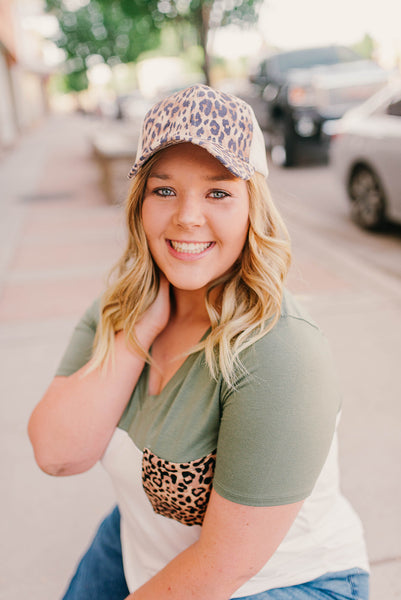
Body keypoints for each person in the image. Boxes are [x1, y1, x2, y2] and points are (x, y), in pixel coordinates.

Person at [28, 84, 369, 600]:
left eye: (218, 192)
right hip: (144, 540)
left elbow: (221, 568)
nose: (187, 216)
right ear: (140, 203)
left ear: (253, 206)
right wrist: (137, 331)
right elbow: (58, 454)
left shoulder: (279, 352)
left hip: (286, 582)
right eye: (165, 190)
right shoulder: (119, 307)